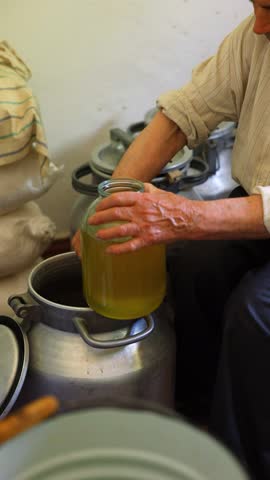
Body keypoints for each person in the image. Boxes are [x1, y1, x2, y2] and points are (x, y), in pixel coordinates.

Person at [73, 2, 270, 478]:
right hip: (257, 204)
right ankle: (196, 412)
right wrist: (109, 203)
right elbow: (179, 116)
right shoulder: (255, 36)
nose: (259, 23)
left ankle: (240, 463)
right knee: (193, 264)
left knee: (255, 311)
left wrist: (186, 215)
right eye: (256, 6)